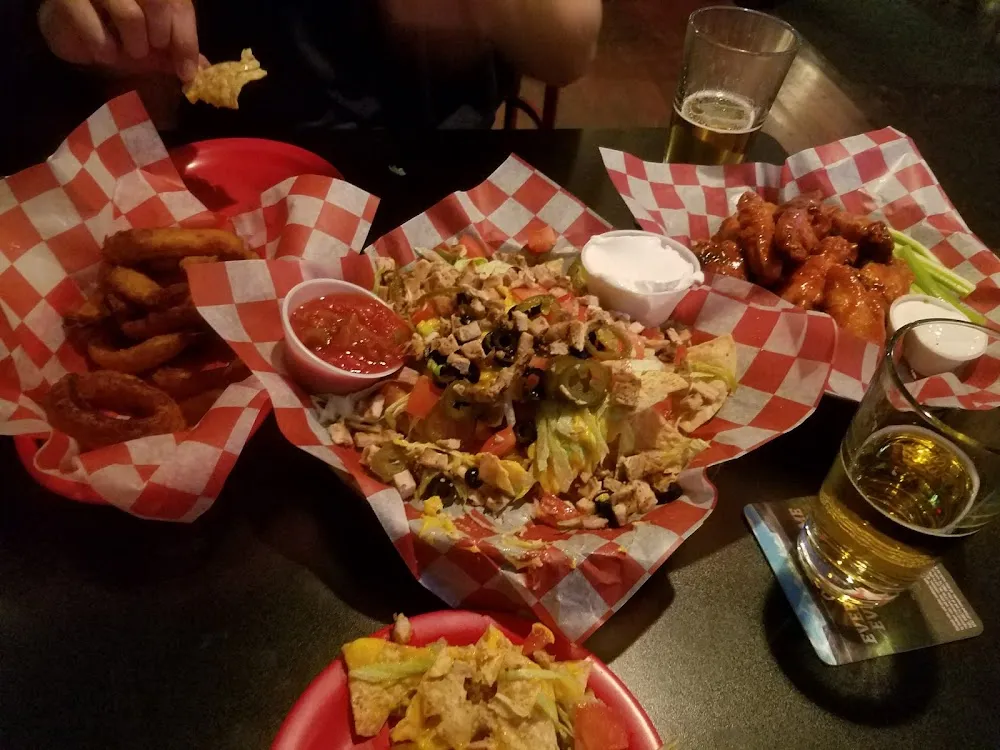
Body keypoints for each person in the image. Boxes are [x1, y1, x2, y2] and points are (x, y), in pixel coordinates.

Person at [36, 0, 602, 130]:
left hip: (430, 163)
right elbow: (133, 84)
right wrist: (101, 34)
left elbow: (570, 51)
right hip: (222, 169)